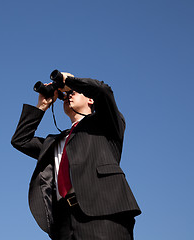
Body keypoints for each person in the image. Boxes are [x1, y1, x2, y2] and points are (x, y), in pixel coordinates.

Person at [11, 71, 141, 240]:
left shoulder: (106, 125)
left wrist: (69, 81)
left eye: (73, 92)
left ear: (90, 99)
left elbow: (103, 91)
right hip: (65, 222)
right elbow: (21, 140)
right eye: (66, 94)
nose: (68, 95)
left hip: (104, 214)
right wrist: (42, 106)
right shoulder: (55, 142)